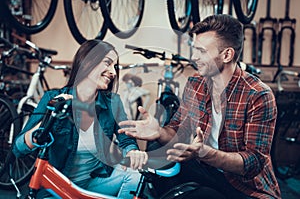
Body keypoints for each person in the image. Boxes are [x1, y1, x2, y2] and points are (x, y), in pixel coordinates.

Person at [119, 14, 281, 198]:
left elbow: (253, 163)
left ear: (227, 54)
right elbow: (177, 131)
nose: (194, 57)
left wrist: (205, 153)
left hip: (245, 188)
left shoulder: (258, 95)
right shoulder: (196, 82)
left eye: (202, 51)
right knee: (158, 151)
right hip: (206, 170)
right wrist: (160, 132)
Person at [13, 39, 148, 198]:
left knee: (135, 175)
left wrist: (132, 152)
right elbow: (18, 149)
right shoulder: (54, 98)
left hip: (94, 183)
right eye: (108, 63)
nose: (113, 72)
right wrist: (48, 119)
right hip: (57, 187)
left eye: (115, 67)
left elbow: (125, 139)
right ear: (86, 62)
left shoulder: (113, 102)